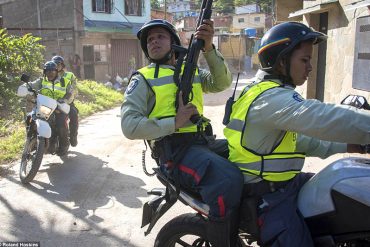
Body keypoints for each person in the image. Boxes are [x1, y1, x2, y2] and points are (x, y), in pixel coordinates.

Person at [224, 21, 370, 246]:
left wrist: (351, 146)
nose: (310, 67)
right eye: (305, 60)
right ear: (282, 61)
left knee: (343, 197)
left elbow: (299, 142)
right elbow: (321, 116)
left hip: (286, 184)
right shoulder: (270, 99)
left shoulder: (271, 94)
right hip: (266, 196)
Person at [121, 19, 243, 247]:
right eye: (149, 39)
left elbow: (222, 82)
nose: (154, 41)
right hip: (174, 152)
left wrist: (208, 48)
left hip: (203, 143)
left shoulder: (191, 71)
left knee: (250, 155)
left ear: (174, 44)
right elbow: (129, 126)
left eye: (160, 36)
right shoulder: (143, 78)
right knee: (227, 180)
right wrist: (173, 122)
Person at [24, 61, 75, 155]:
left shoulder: (64, 81)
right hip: (44, 107)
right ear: (44, 72)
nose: (50, 73)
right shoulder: (41, 81)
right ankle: (31, 139)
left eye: (52, 71)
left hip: (58, 108)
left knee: (60, 126)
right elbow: (31, 85)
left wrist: (64, 101)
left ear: (56, 71)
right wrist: (24, 87)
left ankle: (64, 145)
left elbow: (71, 94)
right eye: (48, 71)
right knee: (30, 118)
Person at [52, 55, 79, 147]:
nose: (56, 66)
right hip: (51, 103)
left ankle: (73, 136)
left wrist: (65, 101)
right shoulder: (49, 75)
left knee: (74, 114)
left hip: (66, 103)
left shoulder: (69, 75)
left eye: (58, 64)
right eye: (54, 64)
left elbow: (73, 90)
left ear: (62, 65)